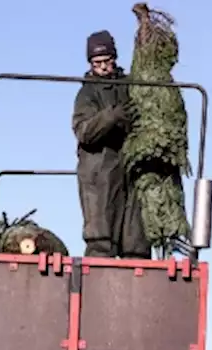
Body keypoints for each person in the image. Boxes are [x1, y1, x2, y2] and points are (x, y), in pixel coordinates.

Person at [70, 30, 150, 259]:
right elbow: (83, 131)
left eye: (107, 61)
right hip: (99, 173)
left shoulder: (130, 85)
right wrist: (112, 117)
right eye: (97, 63)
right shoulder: (86, 93)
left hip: (131, 170)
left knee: (136, 242)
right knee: (101, 240)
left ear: (114, 58)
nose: (103, 67)